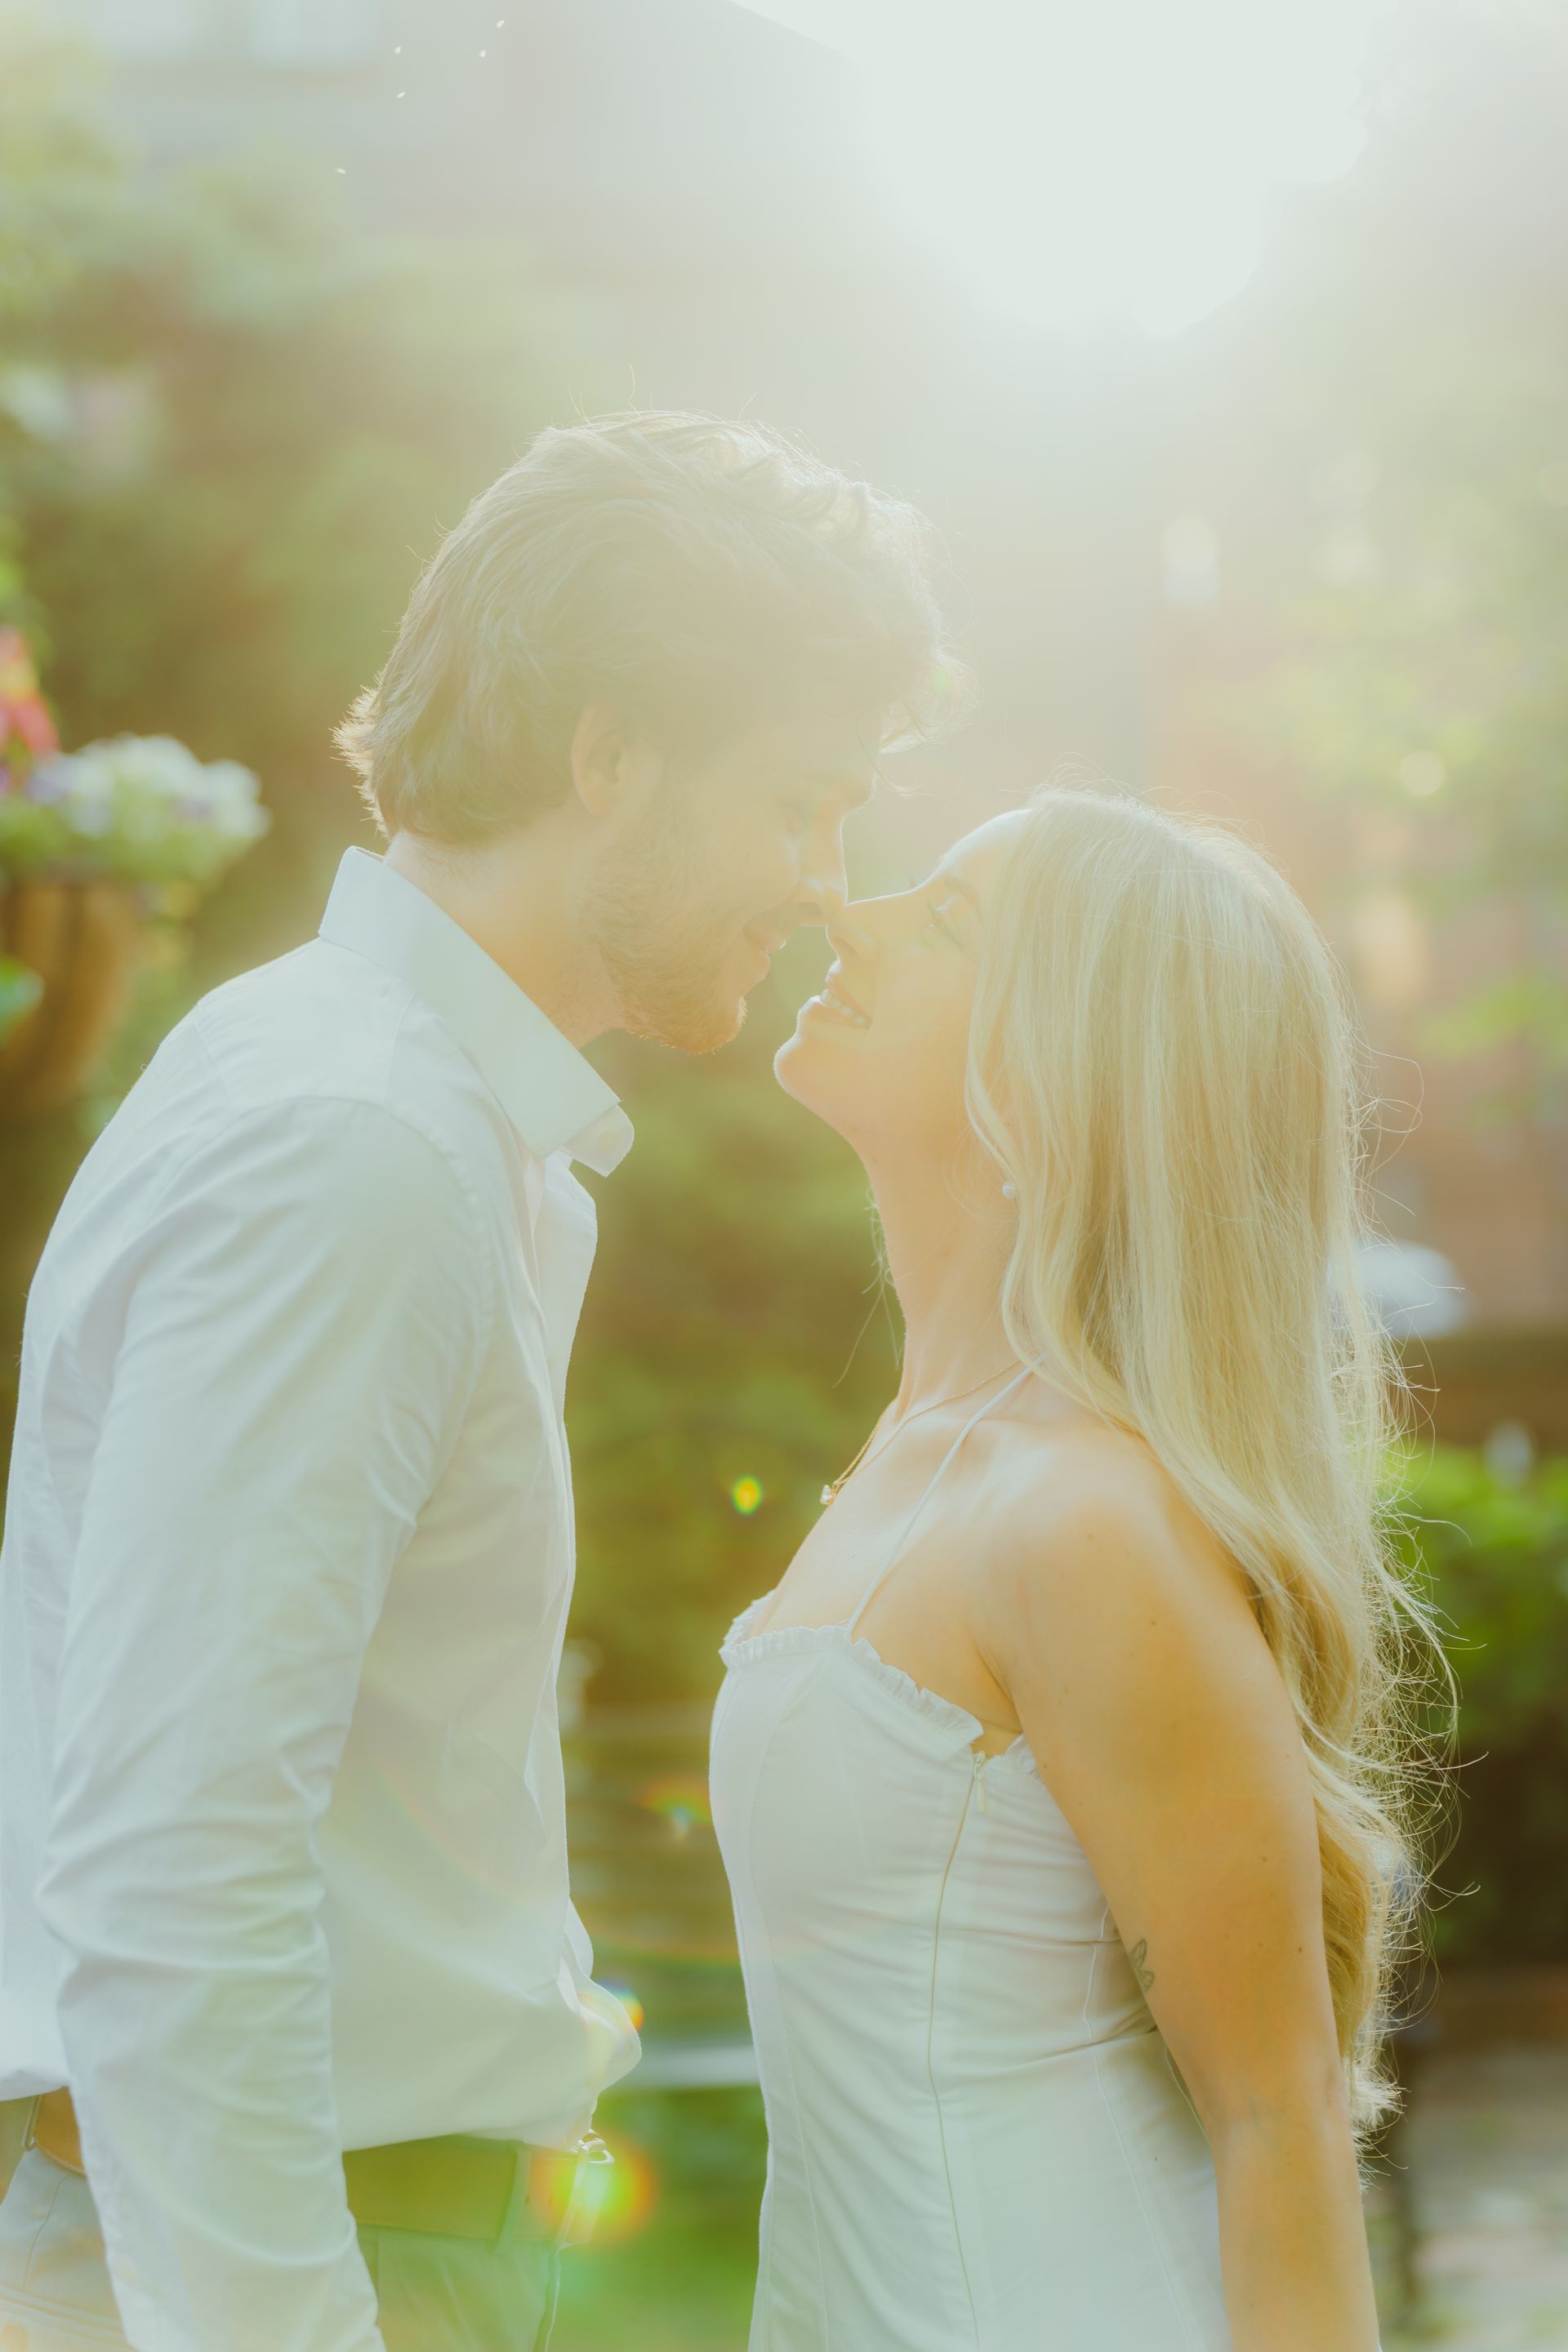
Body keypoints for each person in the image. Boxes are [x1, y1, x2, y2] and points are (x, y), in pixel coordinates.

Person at [0, 411, 950, 2352]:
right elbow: (173, 1856)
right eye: (801, 804)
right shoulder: (354, 1142)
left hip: (376, 2231)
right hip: (293, 2258)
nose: (824, 885)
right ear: (610, 755)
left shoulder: (435, 1130)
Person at [711, 786, 1442, 2351]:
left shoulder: (1082, 1516)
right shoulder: (918, 1458)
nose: (857, 912)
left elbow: (1281, 2116)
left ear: (1063, 1074)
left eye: (952, 919)